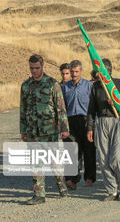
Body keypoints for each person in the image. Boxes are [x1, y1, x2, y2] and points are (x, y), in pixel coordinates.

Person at [20, 54, 69, 205]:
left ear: (43, 67)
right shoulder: (26, 85)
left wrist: (64, 128)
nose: (34, 71)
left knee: (55, 162)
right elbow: (23, 109)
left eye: (37, 68)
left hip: (51, 131)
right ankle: (39, 194)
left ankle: (61, 184)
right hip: (33, 131)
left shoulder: (52, 84)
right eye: (31, 68)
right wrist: (23, 130)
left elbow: (60, 108)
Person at [87, 59, 120, 201]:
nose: (99, 74)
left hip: (119, 121)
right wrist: (90, 128)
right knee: (103, 158)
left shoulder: (119, 84)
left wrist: (116, 102)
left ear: (109, 71)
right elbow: (91, 110)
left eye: (102, 72)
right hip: (101, 122)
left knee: (118, 157)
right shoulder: (96, 87)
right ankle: (112, 190)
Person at [62, 60, 95, 190]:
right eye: (72, 72)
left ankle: (90, 177)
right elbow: (62, 107)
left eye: (76, 72)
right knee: (70, 150)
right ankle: (71, 179)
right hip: (70, 122)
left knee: (89, 150)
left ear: (81, 71)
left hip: (86, 120)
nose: (74, 74)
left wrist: (93, 124)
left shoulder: (88, 86)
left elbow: (93, 105)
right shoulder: (65, 87)